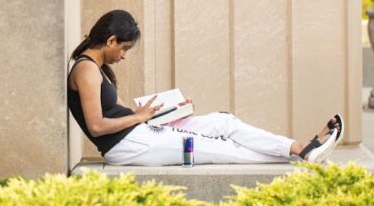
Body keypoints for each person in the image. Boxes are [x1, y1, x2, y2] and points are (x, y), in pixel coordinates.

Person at [68, 9, 343, 166]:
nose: (124, 56)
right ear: (111, 40)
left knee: (223, 123)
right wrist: (139, 117)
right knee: (217, 147)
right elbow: (97, 126)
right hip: (126, 146)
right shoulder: (86, 69)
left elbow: (112, 115)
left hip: (137, 134)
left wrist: (168, 112)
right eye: (125, 48)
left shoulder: (97, 69)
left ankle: (298, 147)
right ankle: (298, 154)